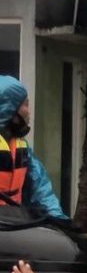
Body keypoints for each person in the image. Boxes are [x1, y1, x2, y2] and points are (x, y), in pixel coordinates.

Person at [0, 75, 66, 219]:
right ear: (9, 108)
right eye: (25, 105)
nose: (28, 112)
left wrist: (59, 221)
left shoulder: (19, 145)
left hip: (11, 225)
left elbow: (40, 188)